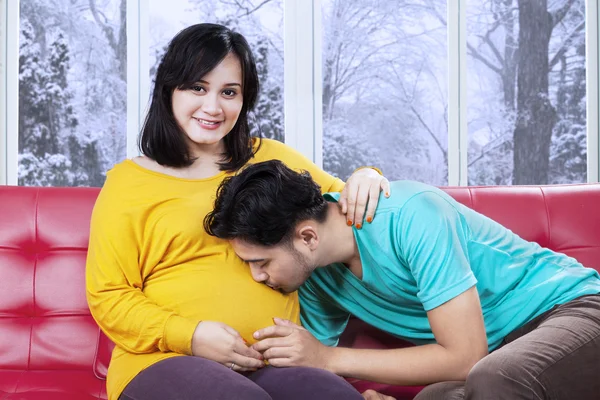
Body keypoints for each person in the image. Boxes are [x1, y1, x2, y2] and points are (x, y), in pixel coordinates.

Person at [85, 23, 391, 400]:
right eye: (197, 87)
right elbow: (109, 296)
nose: (213, 107)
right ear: (169, 89)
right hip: (161, 361)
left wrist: (367, 174)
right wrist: (191, 335)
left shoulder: (271, 157)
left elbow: (341, 207)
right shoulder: (128, 183)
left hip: (272, 362)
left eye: (229, 92)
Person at [204, 159, 600, 400]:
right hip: (504, 350)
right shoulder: (313, 278)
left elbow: (467, 357)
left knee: (498, 377)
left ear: (307, 236)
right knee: (437, 398)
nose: (258, 277)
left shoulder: (411, 216)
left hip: (572, 309)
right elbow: (308, 371)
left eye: (261, 262)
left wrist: (327, 359)